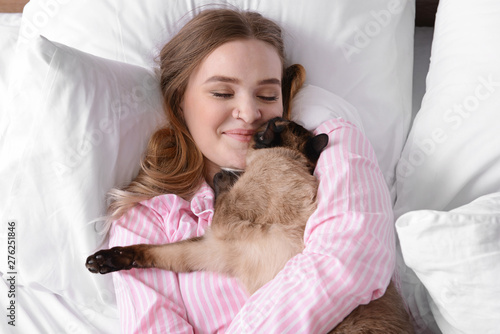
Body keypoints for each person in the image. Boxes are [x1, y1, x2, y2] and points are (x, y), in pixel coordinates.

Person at [105, 8, 395, 333]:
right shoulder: (144, 223)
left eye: (268, 95)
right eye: (222, 93)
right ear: (178, 103)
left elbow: (352, 261)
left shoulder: (329, 150)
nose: (249, 112)